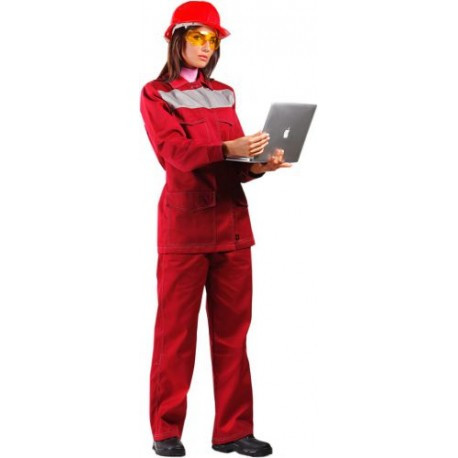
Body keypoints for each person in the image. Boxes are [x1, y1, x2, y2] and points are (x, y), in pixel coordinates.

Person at [140, 1, 291, 456]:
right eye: (198, 38)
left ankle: (233, 431)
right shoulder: (156, 93)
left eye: (213, 40)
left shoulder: (225, 93)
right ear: (177, 40)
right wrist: (228, 147)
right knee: (175, 336)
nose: (206, 47)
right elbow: (174, 154)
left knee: (233, 336)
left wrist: (258, 165)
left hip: (231, 228)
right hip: (185, 231)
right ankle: (166, 431)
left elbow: (235, 163)